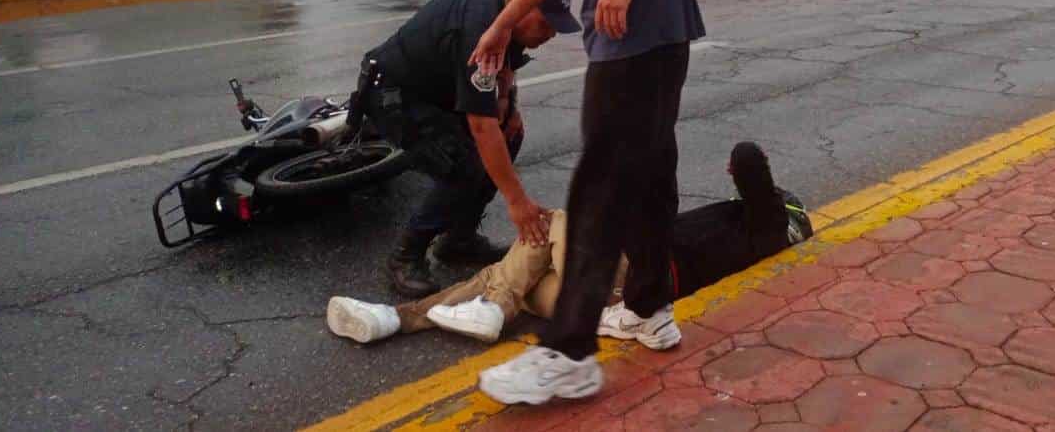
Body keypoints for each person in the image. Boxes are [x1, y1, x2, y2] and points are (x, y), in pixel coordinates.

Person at [467, 0, 705, 405]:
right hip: (639, 36)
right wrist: (504, 20)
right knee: (650, 172)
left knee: (599, 178)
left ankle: (568, 351)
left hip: (640, 31)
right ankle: (650, 308)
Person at [323, 143, 812, 349]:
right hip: (594, 296)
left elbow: (748, 156)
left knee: (553, 220)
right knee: (509, 267)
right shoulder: (751, 236)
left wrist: (753, 177)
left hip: (626, 280)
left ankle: (484, 308)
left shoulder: (767, 228)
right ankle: (394, 319)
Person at [365, 0, 581, 298]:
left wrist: (509, 105)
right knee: (462, 163)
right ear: (522, 5)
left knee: (510, 135)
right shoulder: (478, 27)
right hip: (396, 92)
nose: (551, 32)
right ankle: (406, 254)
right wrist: (517, 202)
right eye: (546, 22)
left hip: (441, 89)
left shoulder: (504, 4)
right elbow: (481, 126)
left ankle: (458, 240)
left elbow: (506, 62)